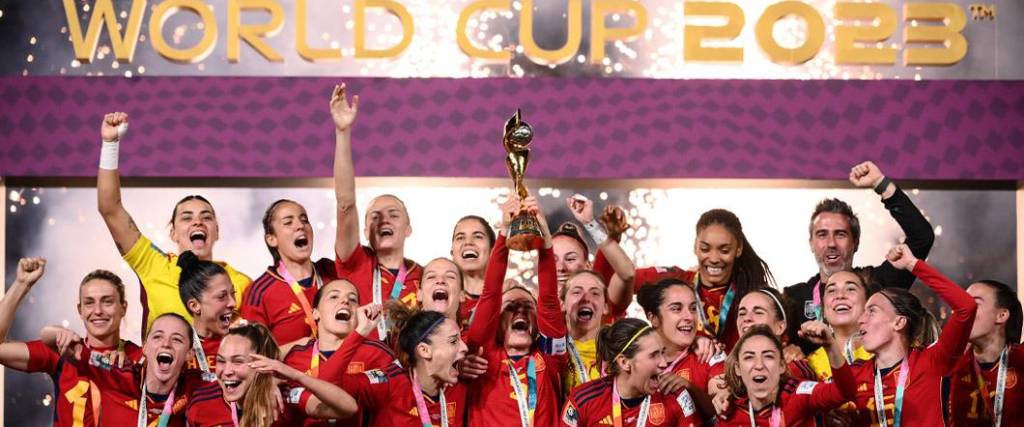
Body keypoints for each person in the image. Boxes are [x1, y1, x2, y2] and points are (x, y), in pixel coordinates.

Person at [95, 112, 250, 331]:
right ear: (174, 233)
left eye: (206, 217)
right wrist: (110, 144)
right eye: (187, 218)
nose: (197, 222)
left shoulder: (242, 283)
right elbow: (110, 208)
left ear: (217, 231)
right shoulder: (153, 264)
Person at [785, 161, 934, 352]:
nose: (831, 243)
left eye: (840, 234)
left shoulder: (878, 284)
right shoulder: (794, 298)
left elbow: (922, 237)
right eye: (822, 234)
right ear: (811, 244)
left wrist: (881, 184)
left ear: (856, 242)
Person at [0, 259, 142, 427]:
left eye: (107, 301)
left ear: (123, 308)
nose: (97, 311)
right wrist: (21, 285)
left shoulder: (139, 359)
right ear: (80, 310)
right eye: (89, 302)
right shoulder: (62, 351)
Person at [846, 244, 976, 425]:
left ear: (899, 322)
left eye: (872, 311)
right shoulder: (855, 373)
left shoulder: (932, 362)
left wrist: (912, 264)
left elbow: (966, 307)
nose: (861, 319)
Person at [464, 194, 566, 426]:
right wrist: (504, 231)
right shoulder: (483, 357)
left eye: (528, 306)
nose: (520, 310)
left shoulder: (550, 358)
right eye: (510, 306)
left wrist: (546, 241)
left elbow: (549, 300)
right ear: (496, 323)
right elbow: (490, 294)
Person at [331, 84, 423, 339]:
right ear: (364, 231)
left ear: (408, 228)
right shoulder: (355, 263)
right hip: (364, 370)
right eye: (375, 216)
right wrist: (343, 133)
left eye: (394, 214)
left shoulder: (425, 276)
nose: (384, 219)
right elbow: (345, 204)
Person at [633, 209, 776, 353]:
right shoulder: (677, 281)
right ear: (695, 246)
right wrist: (611, 240)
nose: (714, 259)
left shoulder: (752, 294)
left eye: (724, 251)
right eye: (705, 249)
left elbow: (775, 339)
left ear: (738, 249)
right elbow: (626, 278)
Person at [44, 313, 204, 426]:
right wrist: (62, 334)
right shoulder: (116, 370)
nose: (166, 343)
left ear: (189, 354)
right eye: (157, 336)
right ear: (145, 348)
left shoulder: (197, 385)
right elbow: (49, 338)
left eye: (176, 339)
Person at [185, 322, 359, 426]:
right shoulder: (202, 402)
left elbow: (348, 408)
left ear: (261, 363)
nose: (227, 371)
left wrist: (295, 375)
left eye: (238, 361)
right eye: (221, 361)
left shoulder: (284, 400)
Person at [325, 306, 470, 426]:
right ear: (424, 350)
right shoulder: (389, 383)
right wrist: (359, 333)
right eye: (453, 341)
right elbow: (327, 383)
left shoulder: (460, 387)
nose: (464, 347)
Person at [561, 318, 702, 427]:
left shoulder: (676, 398)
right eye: (653, 355)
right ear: (624, 362)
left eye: (662, 353)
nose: (664, 363)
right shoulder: (582, 400)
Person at [712, 324, 856, 426]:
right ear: (738, 368)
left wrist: (830, 346)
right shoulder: (729, 414)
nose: (759, 365)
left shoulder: (799, 395)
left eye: (768, 356)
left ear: (781, 366)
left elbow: (844, 392)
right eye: (749, 357)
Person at [241, 199, 338, 344]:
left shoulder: (332, 272)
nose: (300, 226)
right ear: (272, 239)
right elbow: (254, 356)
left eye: (304, 220)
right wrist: (300, 348)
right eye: (288, 222)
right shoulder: (259, 292)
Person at [947, 279, 1024, 427]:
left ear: (1001, 315)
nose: (964, 309)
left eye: (974, 304)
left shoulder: (1021, 360)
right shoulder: (948, 368)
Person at [806, 270, 877, 382]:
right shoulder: (810, 364)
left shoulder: (886, 349)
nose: (840, 296)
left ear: (867, 303)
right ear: (823, 310)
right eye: (831, 290)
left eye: (850, 289)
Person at [734, 288, 816, 381]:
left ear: (780, 327)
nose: (746, 318)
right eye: (742, 313)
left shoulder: (795, 370)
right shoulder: (728, 366)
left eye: (758, 312)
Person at [177, 251, 236, 379]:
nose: (233, 303)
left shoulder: (244, 342)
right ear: (195, 306)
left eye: (233, 293)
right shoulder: (177, 350)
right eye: (222, 296)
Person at [450, 215, 496, 325]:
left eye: (478, 236)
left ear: (493, 250)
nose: (468, 242)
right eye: (460, 238)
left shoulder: (509, 299)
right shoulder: (440, 300)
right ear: (452, 253)